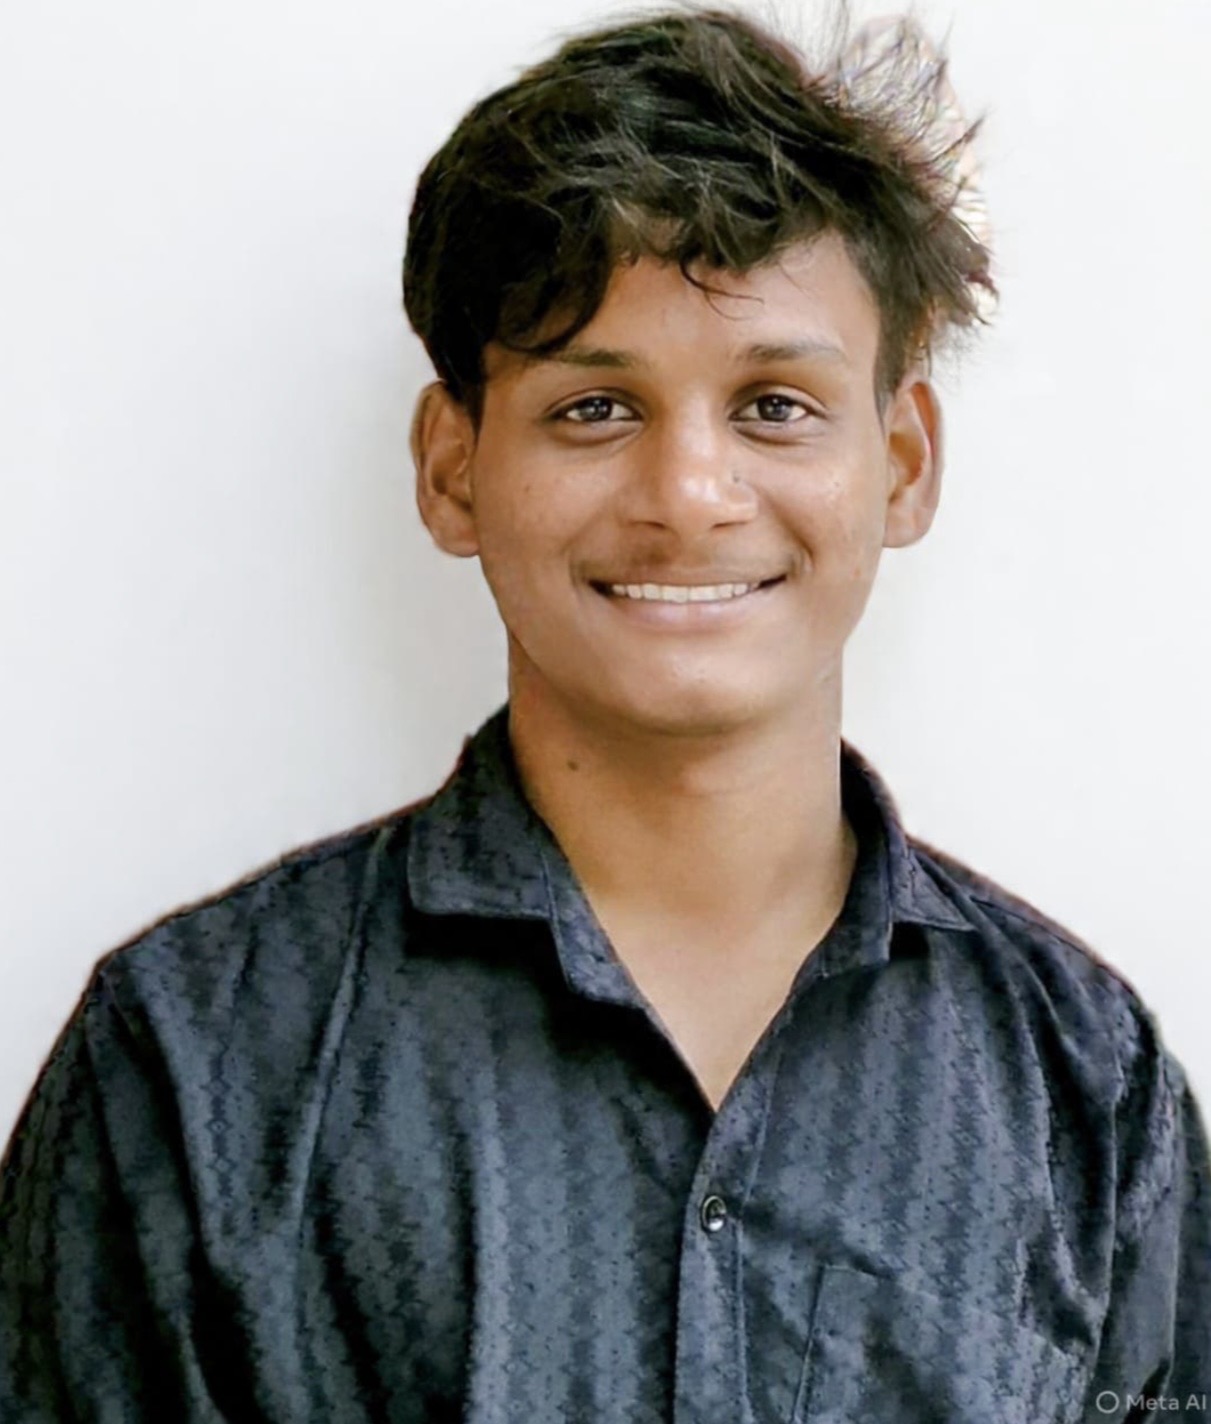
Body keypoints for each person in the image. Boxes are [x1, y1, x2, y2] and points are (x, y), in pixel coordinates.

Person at [1, 6, 1207, 1420]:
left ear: (901, 463)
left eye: (774, 404)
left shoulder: (1089, 1087)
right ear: (453, 469)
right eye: (594, 408)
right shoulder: (191, 1064)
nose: (690, 495)